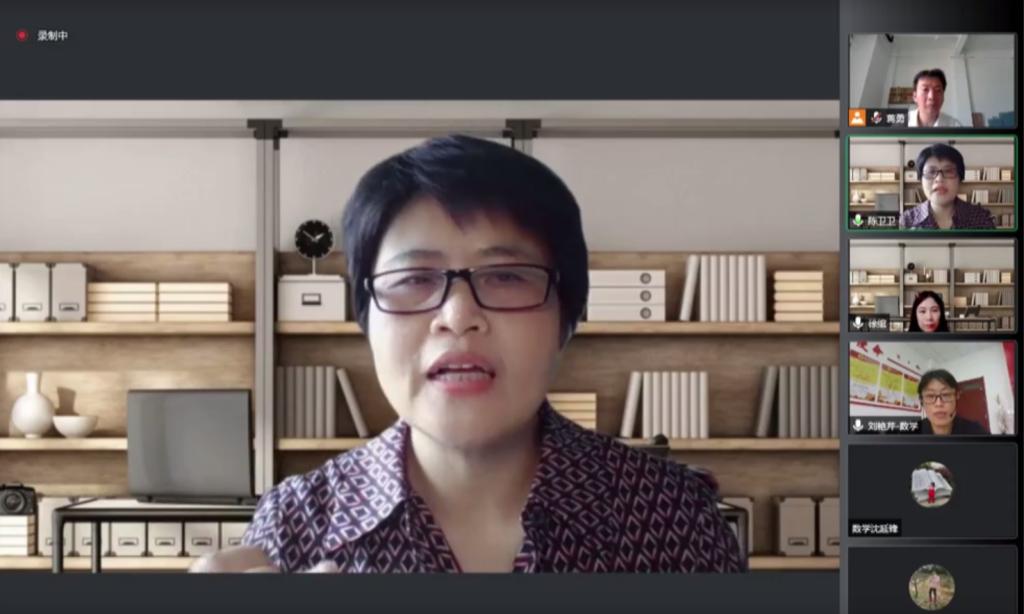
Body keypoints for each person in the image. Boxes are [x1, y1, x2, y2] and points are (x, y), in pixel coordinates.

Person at [190, 135, 745, 573]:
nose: (458, 315)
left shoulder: (673, 516)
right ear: (366, 319)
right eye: (413, 279)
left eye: (506, 276)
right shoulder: (294, 525)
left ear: (566, 316)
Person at [900, 143, 995, 230]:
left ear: (960, 178)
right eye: (931, 172)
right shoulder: (907, 221)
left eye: (948, 171)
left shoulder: (980, 218)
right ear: (920, 179)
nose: (939, 179)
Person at [916, 369, 988, 435]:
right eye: (930, 396)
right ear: (921, 401)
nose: (939, 404)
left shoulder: (976, 431)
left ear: (956, 397)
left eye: (946, 394)